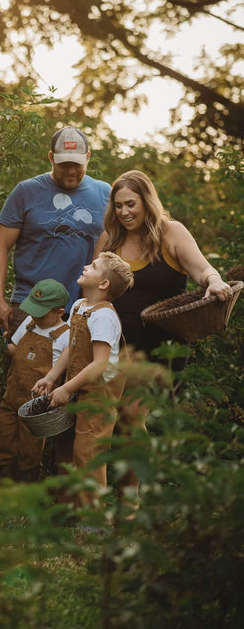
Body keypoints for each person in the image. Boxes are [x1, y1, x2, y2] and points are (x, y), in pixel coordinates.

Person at [94, 169, 233, 505]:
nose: (125, 212)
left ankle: (129, 500)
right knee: (110, 419)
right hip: (116, 341)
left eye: (131, 204)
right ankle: (104, 495)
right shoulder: (109, 240)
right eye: (119, 206)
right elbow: (96, 288)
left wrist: (213, 280)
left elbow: (201, 268)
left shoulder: (171, 233)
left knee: (130, 415)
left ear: (147, 202)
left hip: (159, 344)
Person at [0, 126, 110, 340]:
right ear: (51, 158)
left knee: (74, 373)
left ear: (88, 157)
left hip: (81, 308)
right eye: (64, 164)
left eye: (77, 164)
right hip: (30, 305)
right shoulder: (26, 192)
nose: (71, 171)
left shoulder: (106, 194)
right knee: (23, 372)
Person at [32, 252, 134, 507]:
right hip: (78, 386)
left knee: (88, 452)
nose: (87, 266)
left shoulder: (104, 317)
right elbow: (72, 347)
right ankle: (68, 505)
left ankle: (92, 517)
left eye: (94, 266)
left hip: (98, 394)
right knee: (67, 447)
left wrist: (67, 388)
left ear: (103, 284)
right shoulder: (80, 307)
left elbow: (100, 364)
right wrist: (52, 376)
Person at [0, 279, 70, 483]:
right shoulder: (29, 323)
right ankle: (3, 481)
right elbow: (14, 350)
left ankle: (28, 485)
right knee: (3, 437)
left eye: (41, 312)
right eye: (33, 310)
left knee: (30, 445)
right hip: (12, 393)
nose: (34, 315)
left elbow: (60, 371)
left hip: (34, 404)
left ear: (59, 312)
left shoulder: (65, 336)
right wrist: (0, 341)